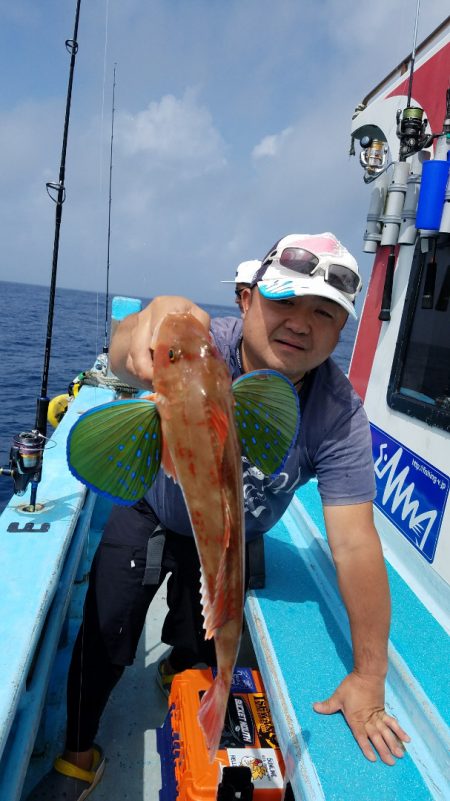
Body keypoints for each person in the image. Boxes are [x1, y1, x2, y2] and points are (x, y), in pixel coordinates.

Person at [27, 232, 410, 801]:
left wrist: (369, 675)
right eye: (285, 301)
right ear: (246, 299)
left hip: (234, 533)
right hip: (153, 507)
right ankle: (79, 754)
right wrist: (144, 327)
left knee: (199, 639)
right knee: (107, 628)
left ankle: (186, 677)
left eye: (324, 313)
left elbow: (354, 543)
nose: (302, 323)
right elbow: (128, 350)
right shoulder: (204, 345)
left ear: (340, 330)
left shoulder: (339, 414)